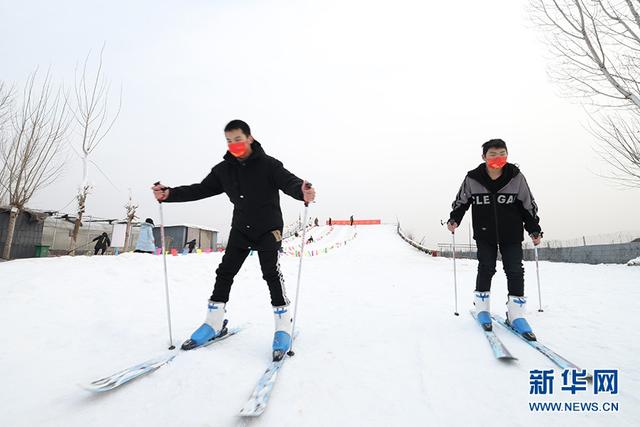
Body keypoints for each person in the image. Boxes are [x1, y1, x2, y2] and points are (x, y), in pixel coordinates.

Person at [152, 120, 316, 360]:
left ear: (249, 138)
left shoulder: (270, 165)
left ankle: (282, 324)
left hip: (269, 229)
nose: (234, 145)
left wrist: (302, 191)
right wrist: (170, 194)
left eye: (238, 139)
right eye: (229, 141)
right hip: (241, 229)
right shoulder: (223, 170)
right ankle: (213, 322)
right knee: (225, 271)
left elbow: (289, 182)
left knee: (270, 272)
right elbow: (200, 189)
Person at [447, 138, 542, 341]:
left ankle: (516, 315)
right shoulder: (473, 178)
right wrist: (454, 219)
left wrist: (534, 229)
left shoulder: (516, 177)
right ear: (484, 157)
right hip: (485, 233)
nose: (498, 158)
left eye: (502, 154)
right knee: (486, 267)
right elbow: (462, 202)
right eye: (493, 154)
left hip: (512, 233)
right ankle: (482, 309)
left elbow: (527, 205)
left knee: (515, 269)